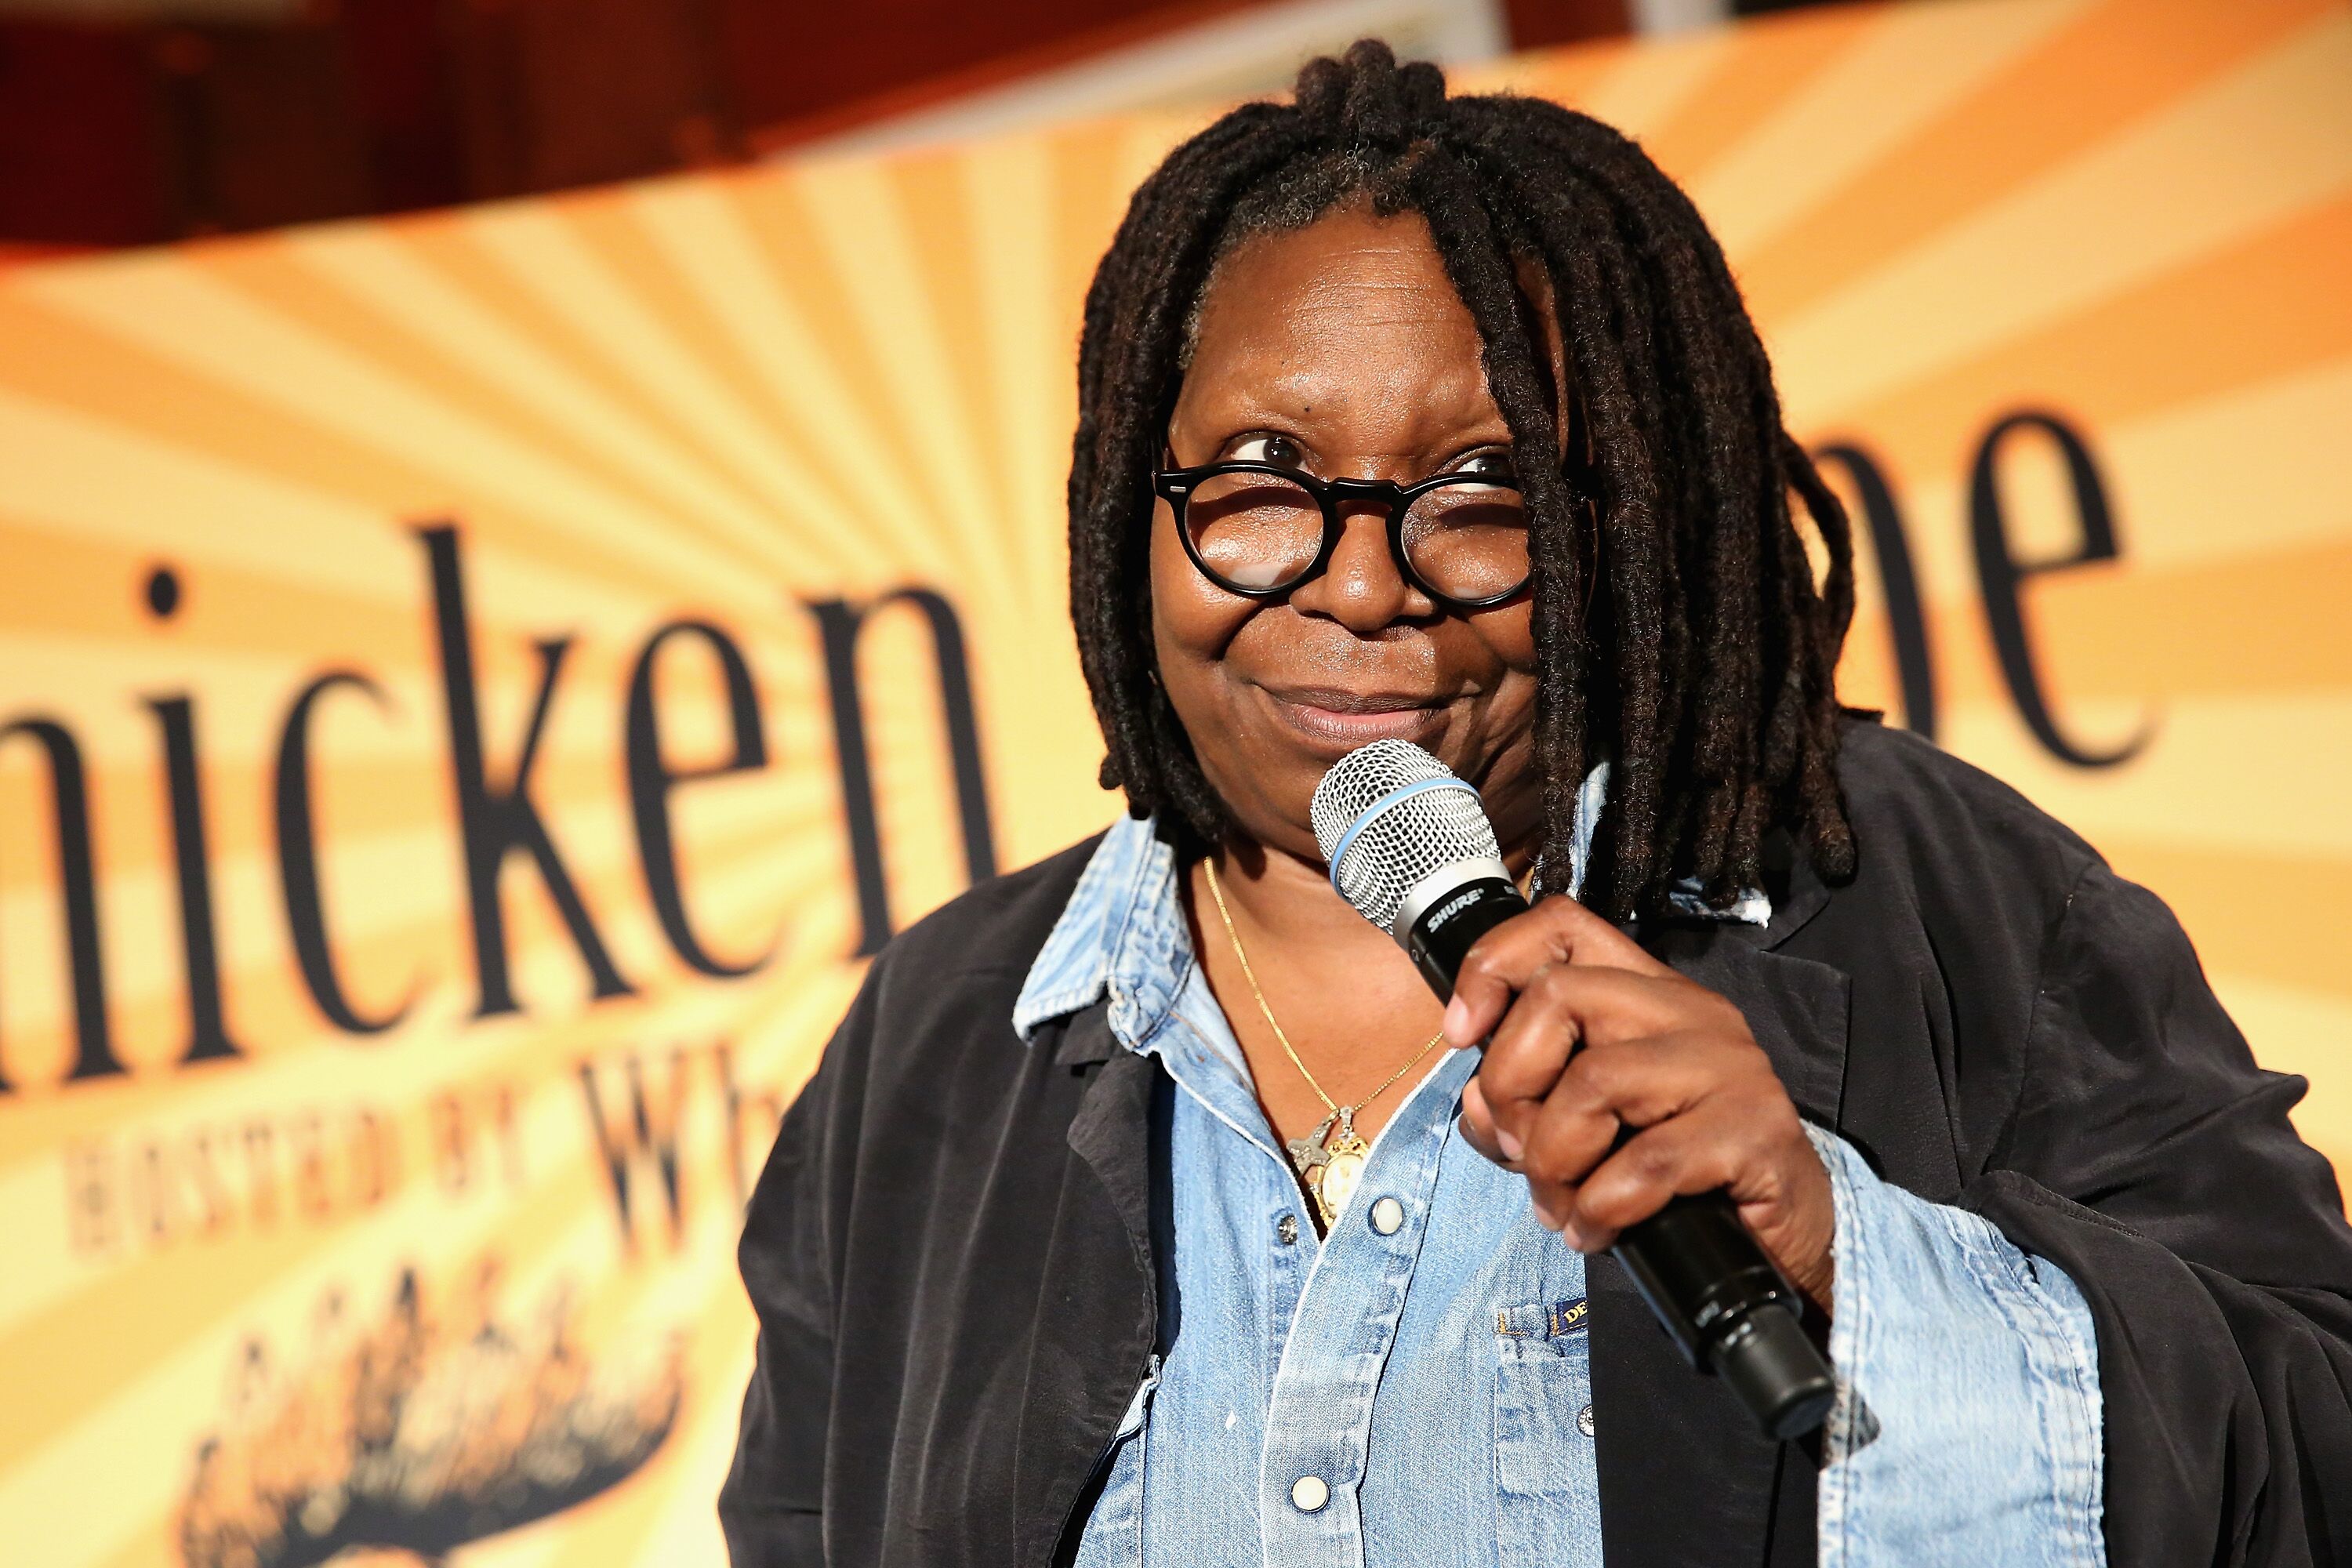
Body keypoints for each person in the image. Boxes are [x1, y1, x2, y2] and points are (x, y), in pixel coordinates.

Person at [718, 41, 2352, 1568]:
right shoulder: (936, 1044)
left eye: (1481, 495)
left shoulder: (1938, 896)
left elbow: (2315, 1457)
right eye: (1264, 479)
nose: (1365, 586)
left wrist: (1852, 1256)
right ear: (1126, 509)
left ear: (1623, 516)